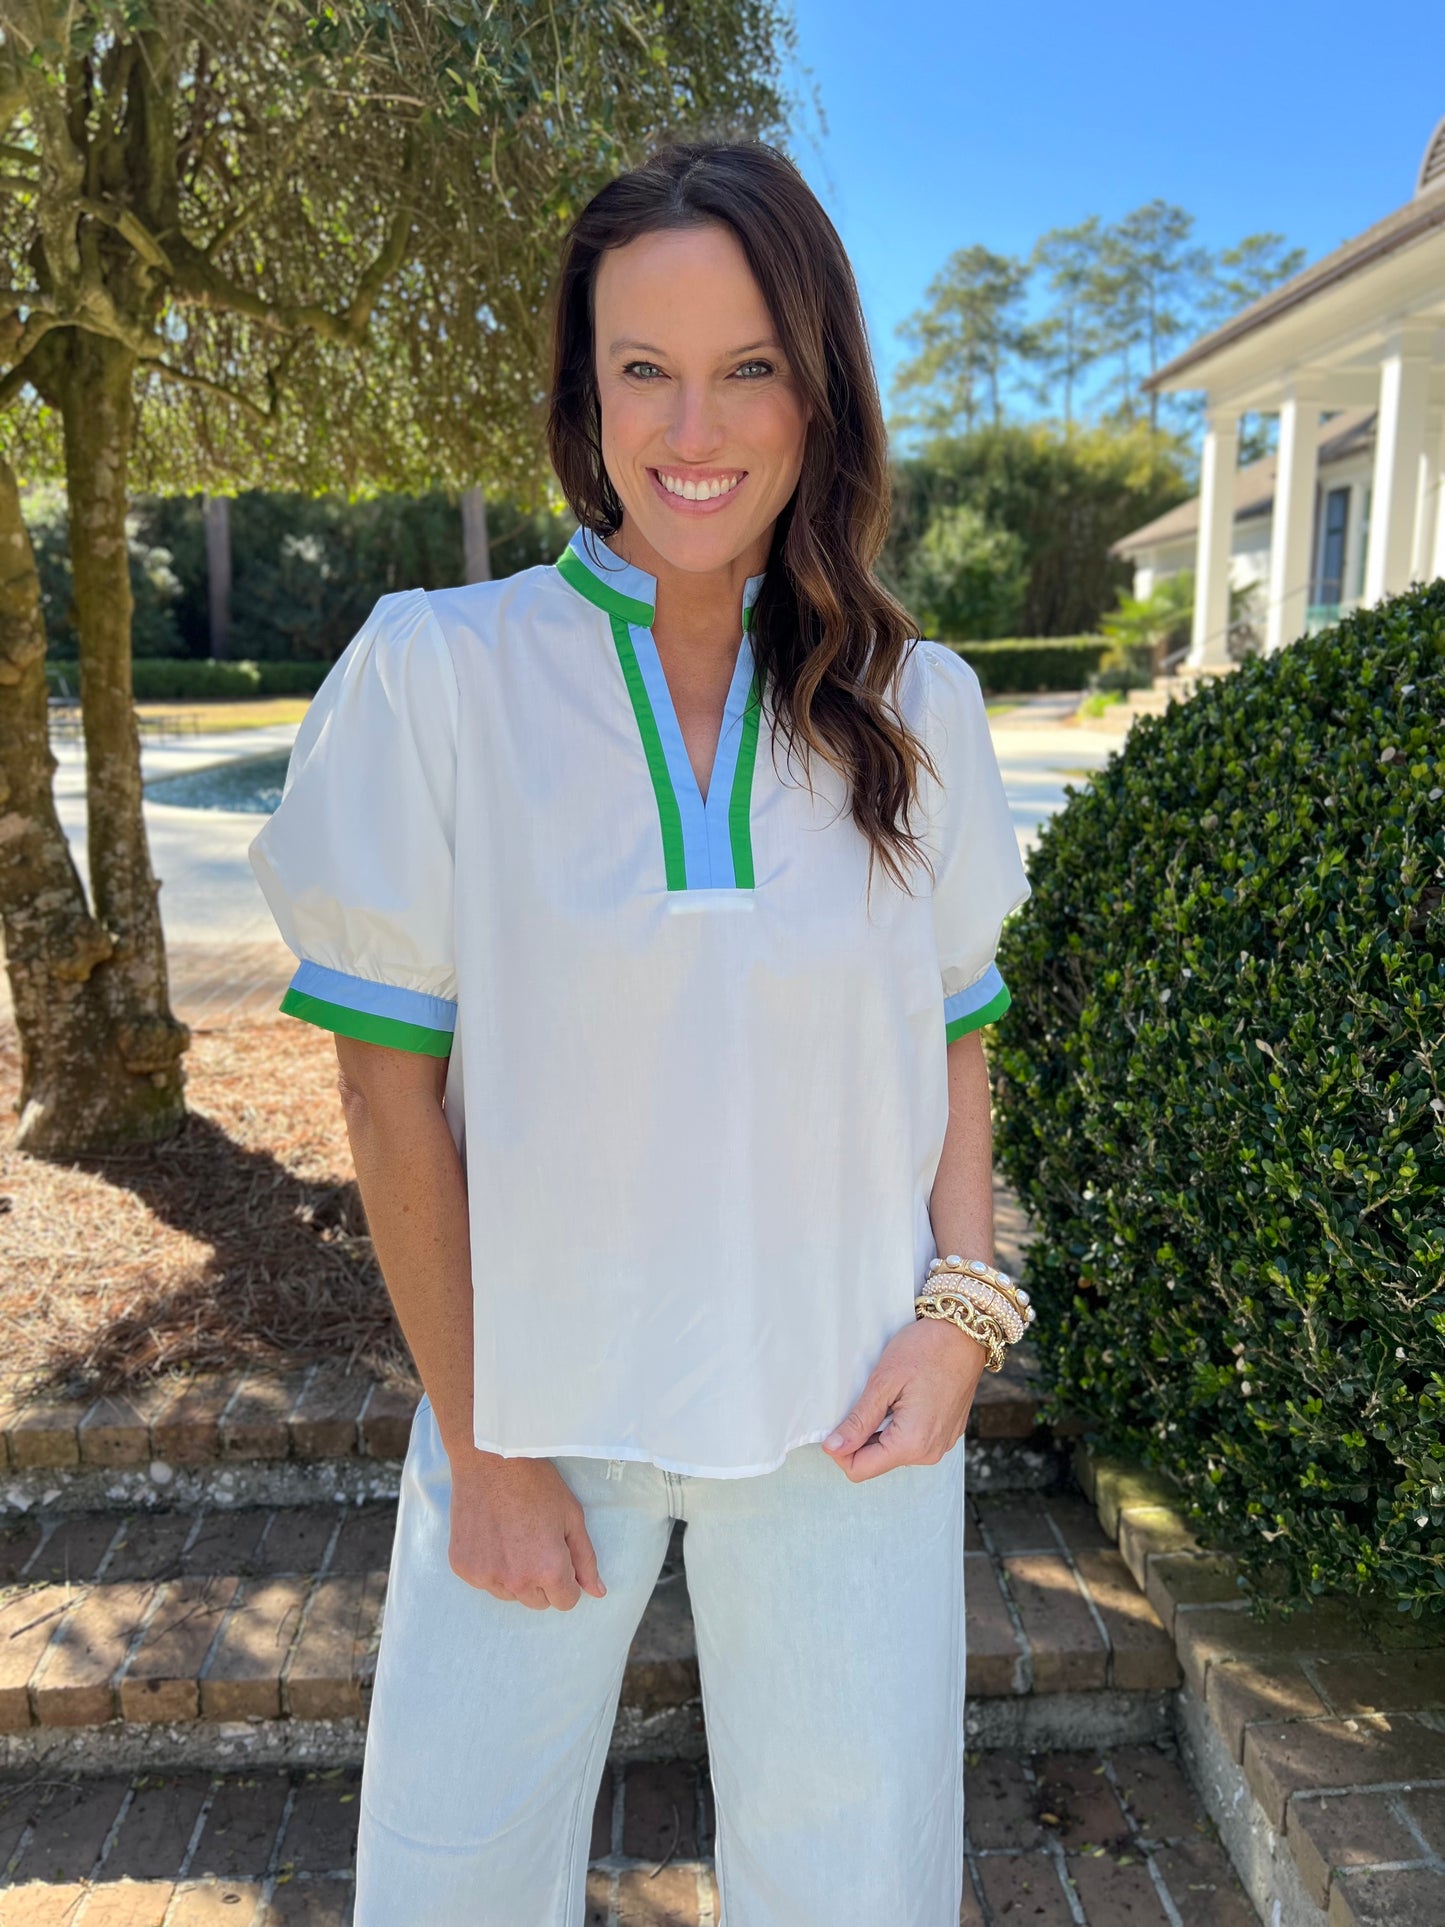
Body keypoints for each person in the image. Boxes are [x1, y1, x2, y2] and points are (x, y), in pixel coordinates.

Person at [250, 137, 1031, 1927]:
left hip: (853, 1411)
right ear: (580, 392)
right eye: (645, 368)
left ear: (818, 388)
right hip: (533, 1406)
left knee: (857, 1888)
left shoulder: (918, 703)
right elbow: (392, 1107)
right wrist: (493, 1448)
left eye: (751, 366)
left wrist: (961, 1319)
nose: (699, 426)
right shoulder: (437, 674)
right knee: (454, 1882)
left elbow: (953, 1029)